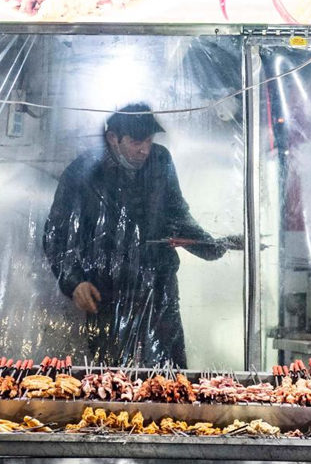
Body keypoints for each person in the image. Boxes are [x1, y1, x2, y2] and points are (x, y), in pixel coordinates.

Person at [43, 102, 243, 368]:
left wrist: (212, 245)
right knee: (113, 379)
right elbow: (56, 235)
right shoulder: (83, 173)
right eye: (136, 141)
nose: (144, 149)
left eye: (148, 140)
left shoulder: (160, 161)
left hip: (160, 289)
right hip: (108, 293)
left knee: (169, 374)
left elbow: (176, 215)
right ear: (113, 138)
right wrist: (74, 281)